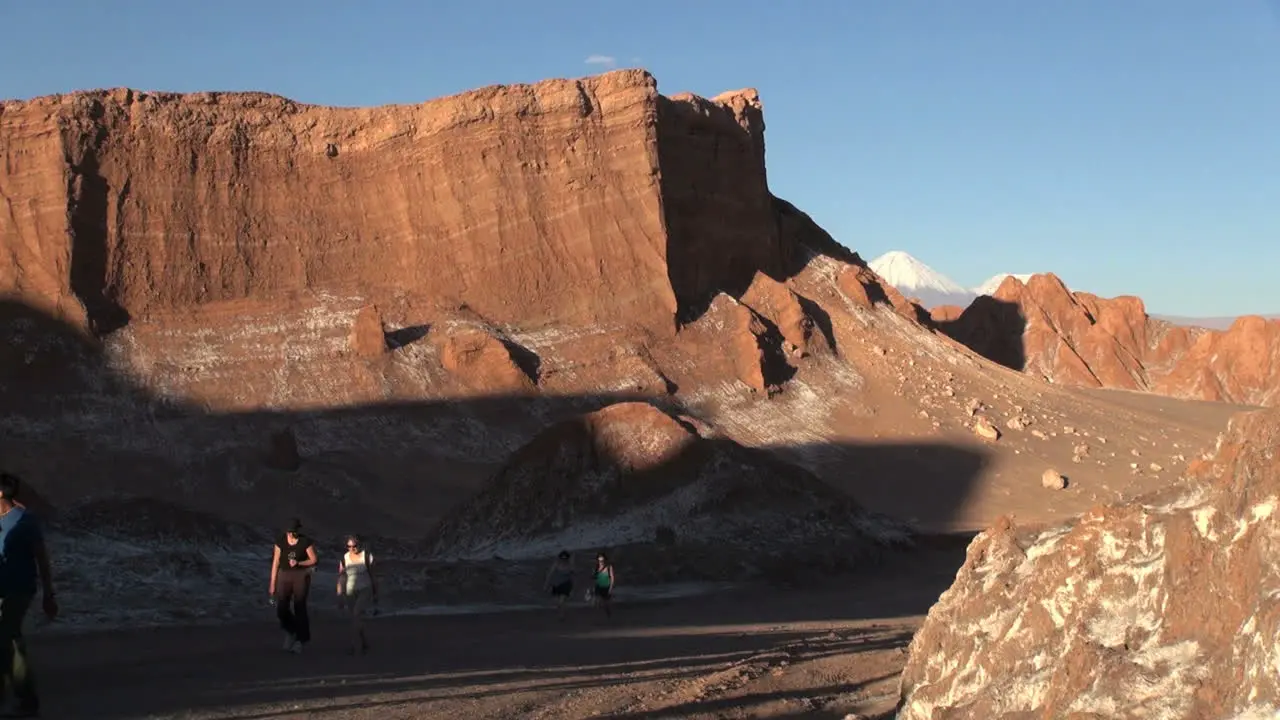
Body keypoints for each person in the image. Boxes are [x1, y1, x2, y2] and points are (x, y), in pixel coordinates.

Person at [0, 473, 57, 718]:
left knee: (7, 638)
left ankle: (23, 699)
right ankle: (22, 697)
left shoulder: (25, 521)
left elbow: (41, 559)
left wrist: (49, 594)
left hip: (17, 590)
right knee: (9, 641)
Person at [269, 519, 317, 654]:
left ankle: (301, 641)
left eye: (293, 532)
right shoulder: (281, 541)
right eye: (289, 532)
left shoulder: (305, 542)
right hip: (284, 575)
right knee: (281, 609)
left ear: (298, 530)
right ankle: (291, 631)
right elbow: (275, 562)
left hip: (300, 576)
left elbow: (313, 559)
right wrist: (272, 583)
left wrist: (299, 563)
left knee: (299, 607)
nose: (290, 534)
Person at [335, 534, 377, 655]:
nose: (352, 549)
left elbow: (373, 575)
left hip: (365, 589)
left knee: (356, 613)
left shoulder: (367, 557)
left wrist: (376, 593)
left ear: (359, 545)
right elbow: (341, 577)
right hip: (350, 592)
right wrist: (339, 595)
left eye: (354, 546)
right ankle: (364, 642)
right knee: (355, 618)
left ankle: (355, 646)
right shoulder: (345, 558)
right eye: (349, 546)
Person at [544, 550, 574, 620]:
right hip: (557, 584)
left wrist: (572, 589)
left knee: (561, 601)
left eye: (565, 558)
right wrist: (546, 585)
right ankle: (561, 612)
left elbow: (573, 576)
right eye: (562, 558)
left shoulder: (570, 565)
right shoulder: (556, 564)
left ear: (567, 558)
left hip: (566, 585)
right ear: (560, 558)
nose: (563, 560)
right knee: (557, 603)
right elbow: (549, 574)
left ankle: (562, 615)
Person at [592, 552, 615, 618]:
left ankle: (608, 612)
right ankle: (598, 616)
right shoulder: (596, 568)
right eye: (599, 561)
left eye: (602, 560)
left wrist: (611, 588)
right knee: (597, 601)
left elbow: (612, 578)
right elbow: (595, 578)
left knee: (606, 603)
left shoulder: (609, 567)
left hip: (606, 586)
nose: (601, 562)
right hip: (598, 586)